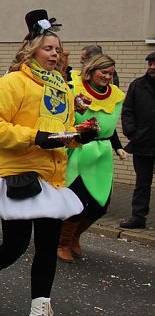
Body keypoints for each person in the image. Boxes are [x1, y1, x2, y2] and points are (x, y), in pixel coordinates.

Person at [0, 9, 96, 316]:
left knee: (46, 248)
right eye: (48, 48)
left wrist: (78, 137)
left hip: (52, 177)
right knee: (15, 245)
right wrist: (34, 137)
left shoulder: (62, 89)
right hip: (20, 173)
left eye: (58, 49)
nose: (55, 54)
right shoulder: (13, 82)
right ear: (31, 50)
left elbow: (61, 134)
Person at [58, 54, 126, 261]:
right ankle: (61, 243)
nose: (106, 76)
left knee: (100, 205)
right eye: (103, 72)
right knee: (77, 201)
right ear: (91, 70)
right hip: (78, 149)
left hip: (101, 154)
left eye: (110, 73)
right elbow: (62, 119)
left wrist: (117, 147)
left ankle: (75, 236)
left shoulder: (115, 96)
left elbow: (109, 128)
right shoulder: (73, 88)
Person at [118, 51, 155, 230]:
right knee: (142, 183)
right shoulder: (138, 85)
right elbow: (127, 110)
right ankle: (138, 217)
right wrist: (131, 132)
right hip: (143, 142)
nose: (152, 67)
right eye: (150, 63)